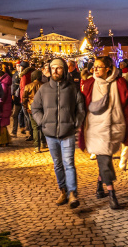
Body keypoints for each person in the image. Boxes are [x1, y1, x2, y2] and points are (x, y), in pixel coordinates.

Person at [78, 56, 128, 209]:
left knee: (105, 159)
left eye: (99, 67)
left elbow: (126, 103)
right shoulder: (89, 83)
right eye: (94, 67)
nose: (94, 69)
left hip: (114, 126)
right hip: (94, 128)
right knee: (105, 160)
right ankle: (112, 195)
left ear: (108, 69)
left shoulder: (119, 83)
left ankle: (99, 187)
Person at [31, 58, 86, 208]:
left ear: (64, 70)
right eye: (53, 68)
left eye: (59, 68)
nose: (55, 71)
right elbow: (35, 108)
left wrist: (76, 122)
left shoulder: (72, 88)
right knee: (58, 164)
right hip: (50, 134)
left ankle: (72, 193)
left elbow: (81, 108)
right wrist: (42, 121)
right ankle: (63, 190)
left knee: (69, 163)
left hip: (67, 132)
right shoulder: (43, 89)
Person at [23, 69, 46, 152]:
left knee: (35, 127)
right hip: (43, 108)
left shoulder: (28, 86)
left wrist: (26, 107)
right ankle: (43, 142)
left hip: (32, 108)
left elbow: (24, 98)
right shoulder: (45, 86)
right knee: (42, 125)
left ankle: (37, 146)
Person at [0, 69, 13, 147]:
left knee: (1, 124)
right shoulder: (5, 83)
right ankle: (6, 140)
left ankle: (2, 141)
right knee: (3, 124)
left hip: (3, 107)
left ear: (0, 77)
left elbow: (3, 96)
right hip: (6, 106)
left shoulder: (3, 84)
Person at [11, 62, 28, 137]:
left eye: (20, 66)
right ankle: (14, 131)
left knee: (25, 115)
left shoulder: (25, 75)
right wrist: (12, 93)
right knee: (15, 115)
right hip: (17, 97)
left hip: (24, 98)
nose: (18, 67)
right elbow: (13, 84)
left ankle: (27, 131)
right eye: (17, 66)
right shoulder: (15, 74)